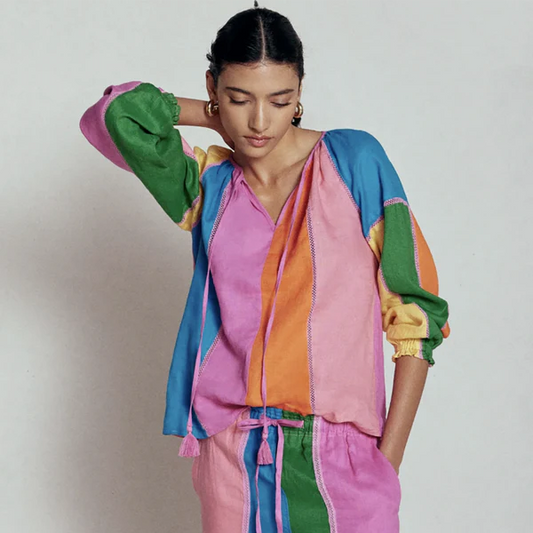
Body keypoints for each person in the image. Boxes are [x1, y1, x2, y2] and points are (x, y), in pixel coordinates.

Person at [79, 3, 450, 532]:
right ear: (213, 88)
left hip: (340, 456)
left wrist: (386, 464)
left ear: (299, 93)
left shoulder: (353, 162)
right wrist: (212, 114)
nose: (259, 122)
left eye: (279, 100)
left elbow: (416, 314)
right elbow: (118, 116)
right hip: (231, 455)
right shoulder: (206, 185)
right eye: (239, 99)